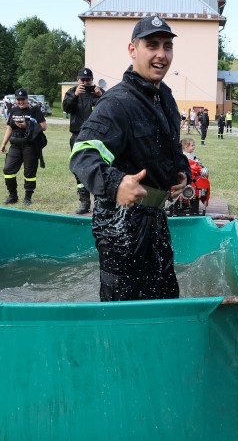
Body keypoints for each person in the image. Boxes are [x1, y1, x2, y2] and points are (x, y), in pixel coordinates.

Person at [69, 15, 191, 301]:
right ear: (132, 50)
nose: (161, 54)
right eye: (152, 45)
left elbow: (170, 147)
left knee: (165, 299)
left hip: (156, 218)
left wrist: (180, 170)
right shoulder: (117, 103)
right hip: (119, 223)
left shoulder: (166, 98)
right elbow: (82, 155)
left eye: (167, 46)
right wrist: (116, 183)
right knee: (122, 309)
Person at [62, 67, 105, 214]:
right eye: (83, 80)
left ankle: (100, 203)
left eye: (88, 80)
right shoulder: (72, 92)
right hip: (77, 135)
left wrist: (101, 95)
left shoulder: (97, 92)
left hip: (96, 136)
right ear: (77, 80)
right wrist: (74, 95)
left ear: (92, 80)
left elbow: (109, 109)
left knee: (100, 167)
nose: (85, 83)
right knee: (79, 169)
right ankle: (85, 203)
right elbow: (66, 108)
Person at [0, 88, 47, 206]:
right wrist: (3, 143)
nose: (21, 102)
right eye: (18, 99)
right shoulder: (13, 110)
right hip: (15, 145)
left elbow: (43, 126)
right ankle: (12, 196)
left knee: (29, 173)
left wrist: (27, 125)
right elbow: (9, 128)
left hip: (30, 145)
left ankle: (28, 197)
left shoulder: (35, 110)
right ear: (16, 100)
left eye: (23, 99)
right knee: (8, 169)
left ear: (27, 99)